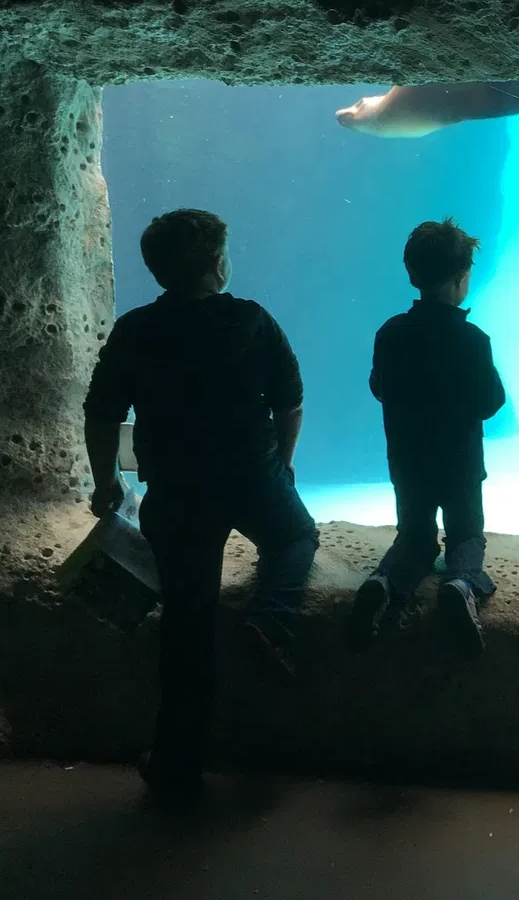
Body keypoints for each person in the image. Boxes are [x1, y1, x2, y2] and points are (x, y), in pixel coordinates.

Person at [82, 208, 318, 796]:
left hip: (178, 490)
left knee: (186, 625)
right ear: (217, 263)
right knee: (295, 538)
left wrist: (105, 478)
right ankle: (270, 620)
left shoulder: (136, 329)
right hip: (250, 476)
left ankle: (176, 763)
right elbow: (290, 400)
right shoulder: (252, 320)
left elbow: (103, 411)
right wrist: (281, 463)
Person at [346, 217, 506, 657]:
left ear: (412, 275)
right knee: (466, 533)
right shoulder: (473, 339)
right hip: (460, 465)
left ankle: (384, 583)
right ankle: (461, 582)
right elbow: (491, 402)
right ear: (461, 280)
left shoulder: (391, 333)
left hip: (408, 462)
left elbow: (380, 388)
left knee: (414, 537)